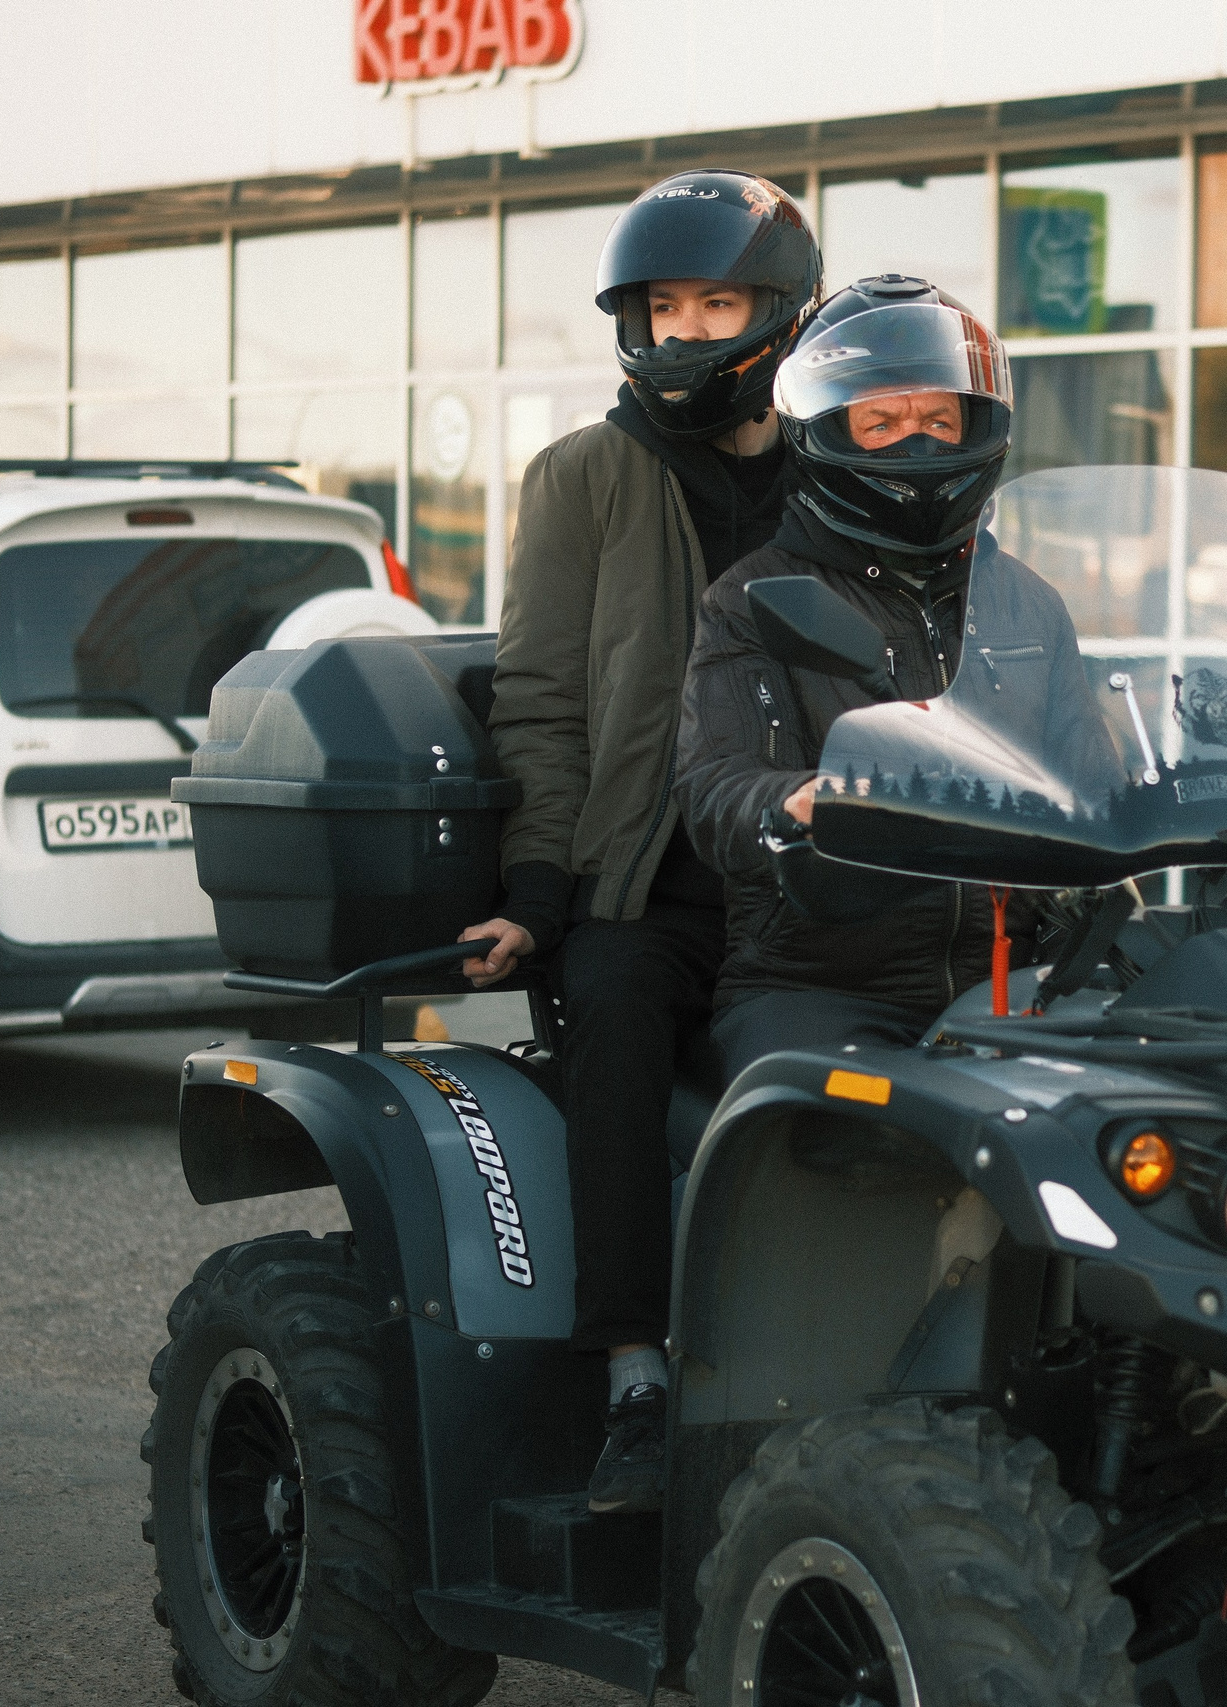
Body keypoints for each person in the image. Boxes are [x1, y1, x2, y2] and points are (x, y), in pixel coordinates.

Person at [453, 170, 821, 1512]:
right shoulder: (582, 478)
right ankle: (636, 1383)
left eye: (714, 302)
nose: (681, 334)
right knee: (609, 1008)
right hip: (648, 880)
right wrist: (543, 895)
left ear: (781, 318)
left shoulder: (846, 475)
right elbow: (540, 699)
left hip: (815, 876)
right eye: (660, 308)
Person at [678, 277, 1081, 1079]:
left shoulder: (1027, 603)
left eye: (939, 418)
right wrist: (798, 803)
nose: (919, 442)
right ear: (831, 431)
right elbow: (714, 785)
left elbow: (1087, 770)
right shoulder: (754, 598)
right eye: (883, 423)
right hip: (820, 982)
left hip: (1015, 974)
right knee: (832, 1145)